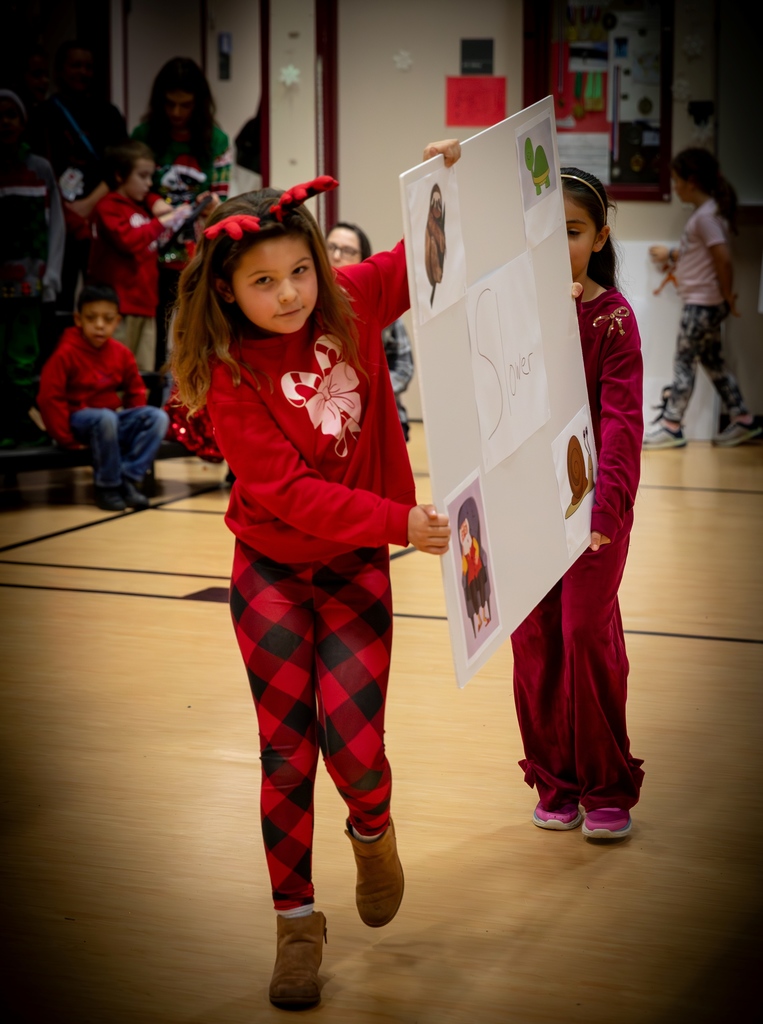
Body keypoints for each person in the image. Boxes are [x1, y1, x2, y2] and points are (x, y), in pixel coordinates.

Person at [171, 142, 459, 1010]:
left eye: (300, 270)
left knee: (357, 750)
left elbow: (435, 245)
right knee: (287, 752)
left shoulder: (357, 300)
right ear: (226, 290)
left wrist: (452, 173)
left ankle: (372, 830)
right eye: (265, 282)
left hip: (353, 571)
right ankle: (296, 925)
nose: (291, 293)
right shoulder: (228, 372)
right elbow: (285, 494)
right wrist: (399, 521)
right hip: (270, 570)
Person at [510, 167, 644, 842]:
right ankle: (555, 779)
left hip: (593, 509)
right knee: (534, 641)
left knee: (585, 633)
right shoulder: (508, 315)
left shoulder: (612, 318)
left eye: (570, 231)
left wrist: (606, 511)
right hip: (522, 508)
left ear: (598, 238)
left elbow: (621, 423)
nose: (555, 243)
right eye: (542, 230)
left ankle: (605, 781)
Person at [643, 148, 760, 449]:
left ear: (691, 182)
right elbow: (702, 255)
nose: (674, 187)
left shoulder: (705, 218)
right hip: (705, 303)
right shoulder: (707, 215)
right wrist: (671, 255)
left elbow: (723, 259)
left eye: (676, 180)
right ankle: (743, 419)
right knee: (712, 361)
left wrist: (728, 296)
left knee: (684, 361)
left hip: (701, 305)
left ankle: (671, 425)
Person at [131, 57, 231, 370]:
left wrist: (212, 204)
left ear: (198, 104)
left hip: (195, 254)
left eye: (185, 105)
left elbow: (222, 198)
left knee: (196, 331)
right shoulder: (144, 135)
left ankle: (191, 404)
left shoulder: (216, 140)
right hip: (149, 254)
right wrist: (151, 201)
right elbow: (126, 186)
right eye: (169, 104)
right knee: (153, 337)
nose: (176, 113)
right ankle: (153, 399)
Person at [37, 284, 169, 512]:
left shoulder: (121, 353)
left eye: (107, 319)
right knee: (105, 418)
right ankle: (107, 486)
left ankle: (128, 478)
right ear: (78, 319)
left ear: (117, 322)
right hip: (79, 422)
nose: (99, 325)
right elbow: (50, 397)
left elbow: (135, 390)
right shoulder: (65, 353)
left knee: (157, 417)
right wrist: (65, 439)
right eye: (92, 318)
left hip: (110, 421)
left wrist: (131, 427)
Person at [26, 41, 127, 332]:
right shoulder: (44, 113)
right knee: (59, 289)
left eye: (88, 66)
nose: (82, 72)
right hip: (58, 216)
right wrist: (63, 210)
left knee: (101, 289)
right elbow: (37, 166)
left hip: (100, 215)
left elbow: (122, 167)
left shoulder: (108, 113)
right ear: (59, 70)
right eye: (75, 65)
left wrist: (88, 204)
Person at [88, 139, 192, 371]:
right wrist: (162, 222)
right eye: (142, 176)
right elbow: (128, 241)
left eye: (150, 177)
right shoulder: (108, 207)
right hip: (118, 308)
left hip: (145, 305)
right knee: (113, 372)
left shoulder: (142, 209)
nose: (148, 184)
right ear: (119, 175)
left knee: (142, 372)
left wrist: (168, 214)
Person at [0, 89, 64, 447]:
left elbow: (56, 225)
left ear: (24, 122)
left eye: (12, 114)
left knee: (23, 357)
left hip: (29, 285)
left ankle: (19, 420)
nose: (5, 122)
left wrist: (51, 275)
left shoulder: (39, 169)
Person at [326, 222, 414, 440]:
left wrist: (371, 391)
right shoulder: (306, 304)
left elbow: (404, 367)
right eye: (330, 247)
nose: (337, 256)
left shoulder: (378, 305)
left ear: (364, 258)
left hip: (378, 410)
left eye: (347, 251)